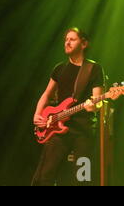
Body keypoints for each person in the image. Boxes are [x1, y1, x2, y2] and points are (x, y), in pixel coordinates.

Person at [31, 27, 104, 186]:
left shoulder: (94, 69)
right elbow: (46, 95)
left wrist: (93, 106)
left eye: (72, 39)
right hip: (57, 127)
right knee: (45, 175)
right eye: (66, 40)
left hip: (83, 131)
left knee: (82, 177)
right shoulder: (59, 68)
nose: (67, 42)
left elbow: (97, 102)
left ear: (83, 44)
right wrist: (37, 114)